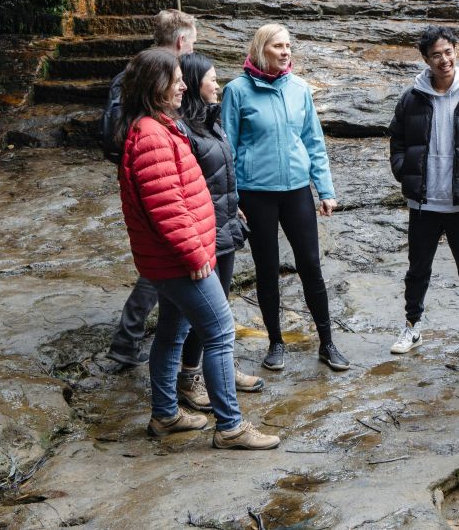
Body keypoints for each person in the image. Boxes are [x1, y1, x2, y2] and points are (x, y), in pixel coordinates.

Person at [116, 47, 279, 450]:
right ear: (157, 85)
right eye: (176, 79)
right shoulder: (152, 135)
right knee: (221, 331)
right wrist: (196, 257)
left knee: (172, 332)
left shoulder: (157, 126)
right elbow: (168, 209)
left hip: (174, 258)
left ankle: (166, 415)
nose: (183, 85)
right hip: (180, 260)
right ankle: (230, 426)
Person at [221, 24, 350, 372]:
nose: (285, 52)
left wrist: (325, 190)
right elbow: (226, 151)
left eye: (288, 46)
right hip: (256, 194)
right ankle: (275, 342)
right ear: (262, 49)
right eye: (278, 46)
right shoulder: (236, 91)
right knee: (267, 269)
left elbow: (313, 141)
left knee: (311, 264)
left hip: (296, 191)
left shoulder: (299, 89)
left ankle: (327, 342)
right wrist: (232, 200)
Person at [387, 26, 459, 359]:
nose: (444, 59)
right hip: (423, 202)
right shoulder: (411, 97)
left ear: (455, 52)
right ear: (426, 59)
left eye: (448, 52)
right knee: (417, 269)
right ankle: (412, 326)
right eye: (436, 54)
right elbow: (398, 141)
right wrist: (402, 171)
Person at [104, 9, 197, 368]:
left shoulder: (131, 72)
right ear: (180, 41)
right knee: (163, 261)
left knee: (159, 261)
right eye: (191, 43)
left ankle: (130, 340)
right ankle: (129, 339)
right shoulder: (167, 79)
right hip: (157, 177)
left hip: (145, 176)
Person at [172, 53, 264, 412]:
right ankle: (189, 377)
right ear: (196, 84)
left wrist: (234, 204)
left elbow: (222, 172)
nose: (218, 84)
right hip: (201, 229)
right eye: (212, 78)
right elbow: (186, 188)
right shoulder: (184, 130)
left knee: (221, 301)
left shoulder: (212, 120)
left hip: (224, 222)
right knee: (207, 311)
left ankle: (221, 368)